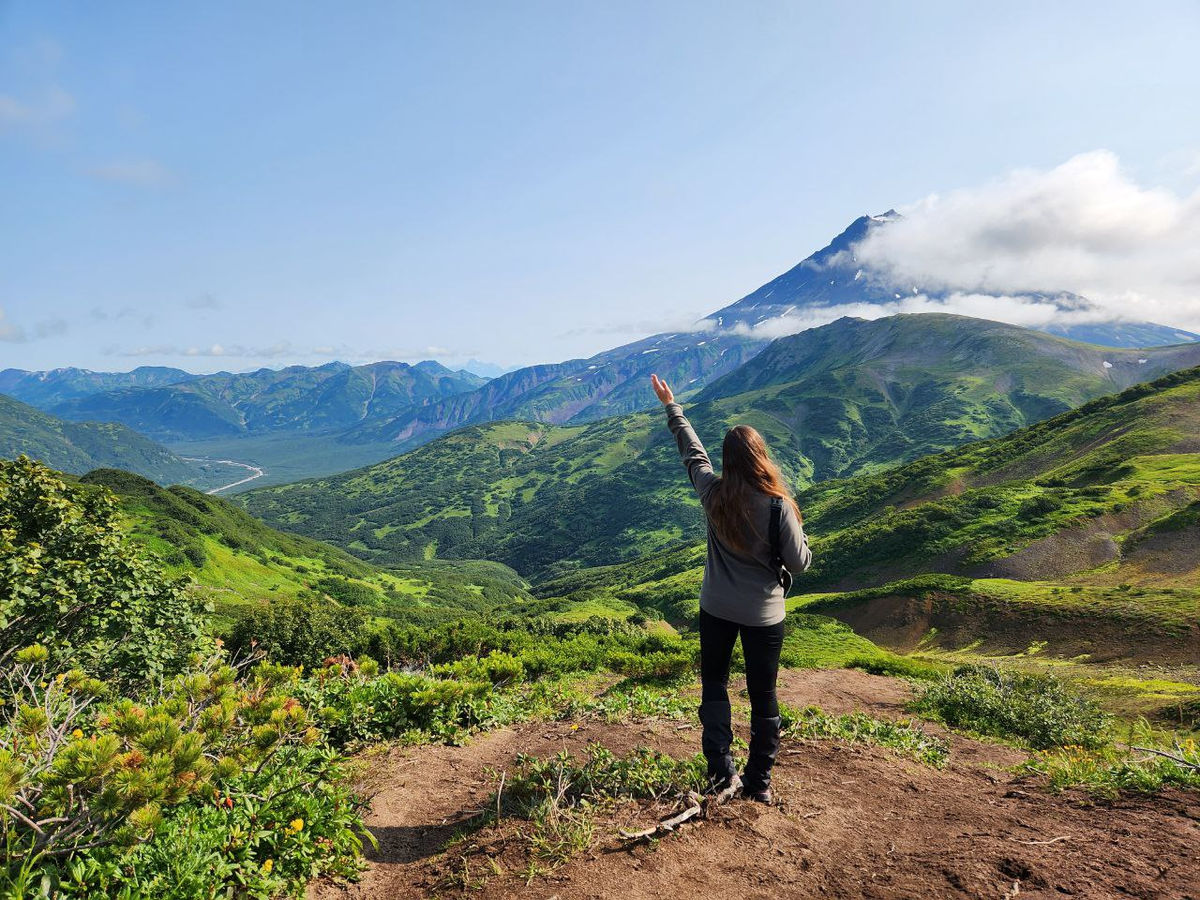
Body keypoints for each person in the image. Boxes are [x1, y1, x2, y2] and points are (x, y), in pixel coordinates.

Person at [651, 373, 812, 803]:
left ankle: (722, 775)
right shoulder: (778, 507)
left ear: (728, 461)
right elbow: (799, 562)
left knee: (715, 686)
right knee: (764, 695)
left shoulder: (714, 494)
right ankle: (758, 784)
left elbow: (692, 455)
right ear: (761, 457)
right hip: (763, 615)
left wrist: (673, 408)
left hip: (717, 608)